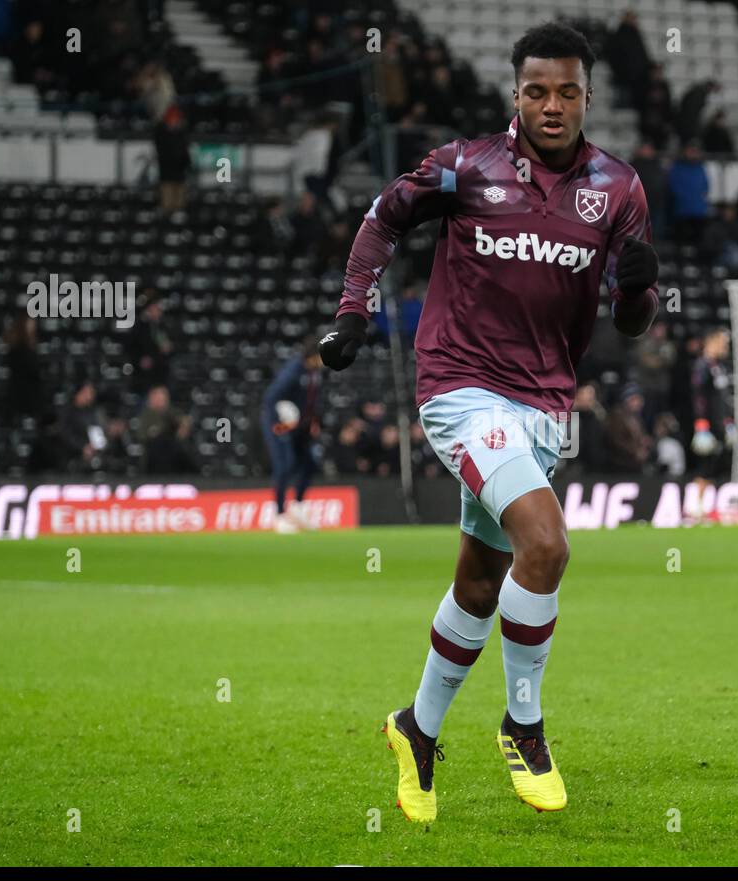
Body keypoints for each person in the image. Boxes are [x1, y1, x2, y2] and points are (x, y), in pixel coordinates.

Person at [317, 22, 658, 823]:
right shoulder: (465, 166)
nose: (551, 104)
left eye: (566, 91)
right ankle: (525, 725)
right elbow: (381, 218)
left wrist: (639, 291)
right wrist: (352, 313)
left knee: (479, 581)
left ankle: (417, 730)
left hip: (543, 405)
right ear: (516, 93)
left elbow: (633, 321)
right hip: (460, 390)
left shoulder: (618, 190)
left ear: (586, 97)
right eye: (536, 90)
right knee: (546, 544)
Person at [261, 339, 325, 533]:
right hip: (280, 425)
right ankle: (279, 515)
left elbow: (310, 400)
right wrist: (280, 423)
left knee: (311, 462)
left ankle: (297, 507)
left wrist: (313, 421)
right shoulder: (293, 371)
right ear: (313, 356)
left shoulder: (314, 373)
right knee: (285, 466)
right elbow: (271, 398)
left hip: (301, 426)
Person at [685, 327, 732, 523]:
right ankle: (693, 507)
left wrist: (728, 421)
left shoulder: (718, 367)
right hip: (706, 424)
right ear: (711, 343)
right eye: (722, 343)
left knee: (715, 464)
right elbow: (699, 397)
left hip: (719, 423)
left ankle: (704, 507)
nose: (725, 347)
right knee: (705, 465)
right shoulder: (701, 366)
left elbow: (722, 398)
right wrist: (701, 424)